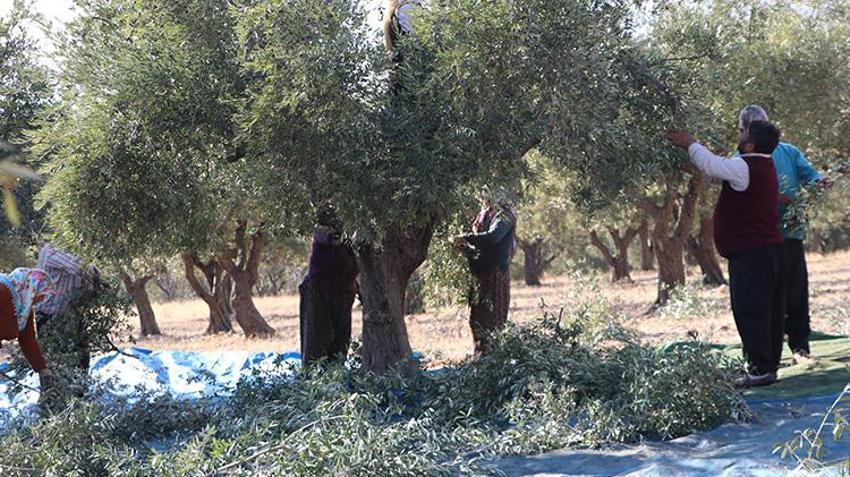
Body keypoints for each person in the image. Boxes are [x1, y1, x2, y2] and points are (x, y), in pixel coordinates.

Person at [667, 121, 785, 387]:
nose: (739, 135)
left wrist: (689, 143)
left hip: (752, 253)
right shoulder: (763, 165)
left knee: (751, 309)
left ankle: (758, 370)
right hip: (769, 251)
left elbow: (711, 165)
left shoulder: (745, 166)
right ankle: (767, 367)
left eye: (743, 133)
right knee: (770, 310)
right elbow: (716, 170)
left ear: (750, 144)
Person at [737, 105, 831, 360]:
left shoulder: (789, 152)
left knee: (795, 291)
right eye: (752, 128)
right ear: (743, 132)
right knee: (763, 297)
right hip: (758, 239)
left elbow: (809, 174)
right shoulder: (739, 159)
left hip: (790, 233)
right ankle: (766, 354)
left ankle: (800, 347)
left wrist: (819, 181)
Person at [456, 189, 517, 354]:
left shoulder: (505, 216)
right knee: (476, 319)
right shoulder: (484, 215)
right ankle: (480, 357)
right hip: (479, 274)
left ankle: (492, 358)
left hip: (494, 273)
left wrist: (466, 237)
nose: (484, 197)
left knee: (493, 320)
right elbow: (480, 247)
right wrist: (466, 249)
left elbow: (492, 238)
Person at [299, 206, 359, 365]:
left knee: (340, 342)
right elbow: (328, 237)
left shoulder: (351, 238)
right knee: (316, 341)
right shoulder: (323, 231)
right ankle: (314, 382)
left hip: (344, 293)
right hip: (320, 292)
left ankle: (334, 377)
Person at [0, 268, 55, 393]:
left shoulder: (24, 309)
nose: (42, 300)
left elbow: (28, 340)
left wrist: (43, 370)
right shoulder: (3, 290)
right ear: (32, 287)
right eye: (42, 294)